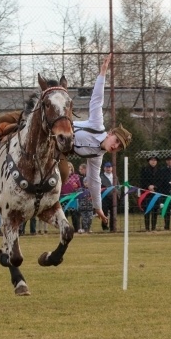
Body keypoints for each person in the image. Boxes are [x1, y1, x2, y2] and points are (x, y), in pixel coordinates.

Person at [66, 52, 132, 227]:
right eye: (116, 141)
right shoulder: (97, 123)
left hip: (53, 152)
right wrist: (103, 73)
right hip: (54, 129)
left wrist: (98, 209)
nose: (115, 146)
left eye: (118, 147)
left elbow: (94, 182)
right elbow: (97, 99)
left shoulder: (97, 157)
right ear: (110, 133)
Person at [140, 155, 162, 232]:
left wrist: (154, 187)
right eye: (152, 160)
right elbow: (142, 180)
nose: (153, 161)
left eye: (155, 160)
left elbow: (161, 181)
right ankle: (147, 228)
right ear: (149, 161)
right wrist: (148, 186)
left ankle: (153, 227)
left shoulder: (159, 170)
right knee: (147, 210)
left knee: (155, 210)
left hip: (156, 193)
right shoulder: (144, 170)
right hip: (147, 193)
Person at [60, 162, 82, 231]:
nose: (68, 169)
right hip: (63, 197)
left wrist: (77, 188)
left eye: (69, 167)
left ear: (72, 169)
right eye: (66, 167)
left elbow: (79, 187)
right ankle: (64, 228)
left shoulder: (76, 176)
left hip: (72, 197)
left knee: (74, 213)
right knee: (64, 214)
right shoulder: (60, 176)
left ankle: (77, 228)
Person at [100, 162, 116, 231]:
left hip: (113, 197)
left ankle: (113, 228)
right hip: (105, 197)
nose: (108, 168)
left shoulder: (115, 177)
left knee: (113, 213)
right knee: (104, 213)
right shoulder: (101, 177)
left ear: (112, 168)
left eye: (109, 167)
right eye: (107, 167)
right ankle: (105, 227)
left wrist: (118, 194)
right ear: (104, 168)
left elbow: (118, 186)